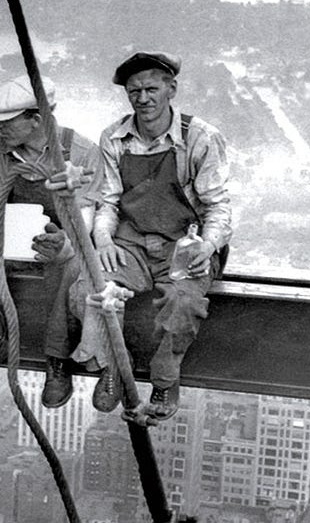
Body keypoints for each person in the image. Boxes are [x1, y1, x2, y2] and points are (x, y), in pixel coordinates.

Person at [77, 52, 232, 420]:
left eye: (151, 89)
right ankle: (114, 365)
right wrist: (104, 240)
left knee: (182, 302)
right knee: (92, 287)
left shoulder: (200, 138)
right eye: (134, 92)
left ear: (171, 90)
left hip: (185, 244)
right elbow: (108, 200)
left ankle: (165, 380)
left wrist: (207, 246)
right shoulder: (114, 138)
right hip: (131, 242)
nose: (143, 99)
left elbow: (218, 206)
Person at [0, 76, 100, 407]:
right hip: (11, 235)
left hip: (61, 239)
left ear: (36, 119)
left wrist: (65, 242)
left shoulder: (81, 151)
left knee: (68, 266)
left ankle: (57, 358)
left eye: (6, 122)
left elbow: (86, 216)